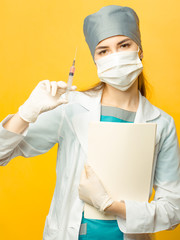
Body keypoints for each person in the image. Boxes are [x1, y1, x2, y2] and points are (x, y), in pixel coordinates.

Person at [0, 4, 180, 240]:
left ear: (140, 50)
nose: (115, 57)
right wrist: (27, 113)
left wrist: (110, 205)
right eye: (103, 51)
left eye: (124, 45)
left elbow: (173, 210)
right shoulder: (70, 107)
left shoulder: (162, 124)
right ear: (96, 61)